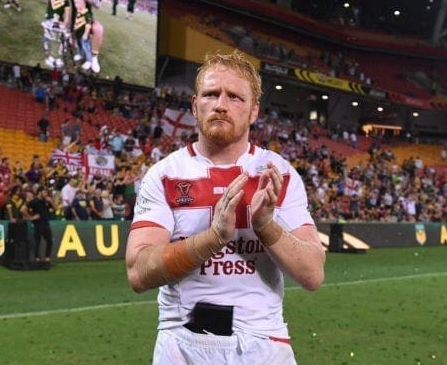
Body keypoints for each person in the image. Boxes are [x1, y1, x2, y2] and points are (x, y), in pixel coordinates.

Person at [125, 52, 325, 364]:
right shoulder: (165, 175)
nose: (221, 104)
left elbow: (312, 274)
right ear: (195, 105)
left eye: (234, 96)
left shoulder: (278, 173)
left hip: (264, 344)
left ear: (254, 111)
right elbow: (139, 272)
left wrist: (266, 226)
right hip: (183, 344)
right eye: (210, 94)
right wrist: (213, 238)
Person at [23, 187, 53, 263]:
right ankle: (37, 258)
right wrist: (31, 217)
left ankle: (47, 258)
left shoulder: (46, 201)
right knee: (37, 242)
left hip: (46, 223)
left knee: (49, 241)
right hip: (38, 224)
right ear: (39, 192)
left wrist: (51, 202)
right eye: (44, 192)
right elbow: (23, 209)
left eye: (46, 192)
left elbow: (55, 208)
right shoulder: (34, 201)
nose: (46, 194)